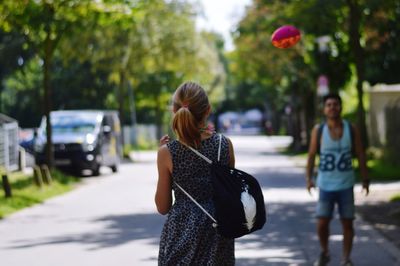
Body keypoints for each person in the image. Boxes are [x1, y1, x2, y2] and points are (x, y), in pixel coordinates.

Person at [155, 81, 236, 265]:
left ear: (174, 112)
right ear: (207, 110)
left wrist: (162, 157)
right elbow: (232, 194)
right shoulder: (224, 145)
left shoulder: (167, 152)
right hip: (218, 230)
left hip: (180, 231)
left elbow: (163, 206)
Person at [305, 93, 370, 266]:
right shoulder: (318, 130)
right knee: (321, 223)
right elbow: (311, 155)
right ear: (324, 109)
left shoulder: (351, 128)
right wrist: (309, 178)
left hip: (346, 184)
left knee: (347, 223)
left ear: (340, 107)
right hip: (325, 184)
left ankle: (345, 259)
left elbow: (361, 154)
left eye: (335, 104)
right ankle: (325, 252)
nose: (332, 107)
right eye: (329, 105)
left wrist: (365, 179)